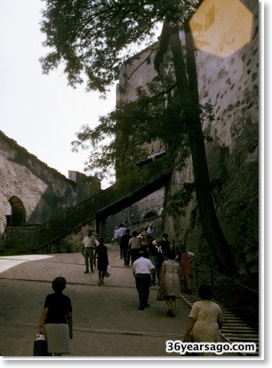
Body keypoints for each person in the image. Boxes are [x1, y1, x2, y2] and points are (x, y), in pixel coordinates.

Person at [183, 284, 223, 354]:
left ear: (200, 293)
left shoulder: (196, 305)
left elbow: (192, 320)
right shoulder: (217, 306)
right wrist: (216, 327)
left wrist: (186, 332)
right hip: (213, 328)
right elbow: (221, 322)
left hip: (199, 328)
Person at [37, 277, 73, 356]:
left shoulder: (49, 297)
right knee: (58, 351)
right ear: (64, 287)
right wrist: (70, 331)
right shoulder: (67, 299)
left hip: (49, 325)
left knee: (48, 349)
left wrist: (39, 327)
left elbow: (45, 313)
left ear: (53, 286)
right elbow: (69, 317)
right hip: (62, 326)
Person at [159, 250, 181, 317]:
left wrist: (161, 280)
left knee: (166, 294)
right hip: (175, 278)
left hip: (167, 277)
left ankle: (170, 308)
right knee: (173, 297)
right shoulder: (177, 264)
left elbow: (162, 272)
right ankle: (173, 312)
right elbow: (179, 273)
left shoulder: (165, 263)